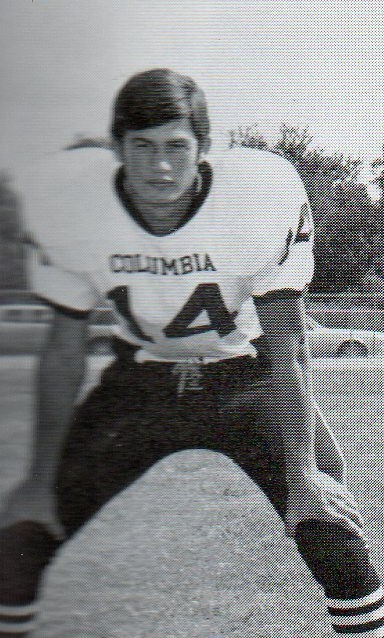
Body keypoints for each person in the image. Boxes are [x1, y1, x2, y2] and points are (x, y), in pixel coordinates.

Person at [0, 68, 382, 638]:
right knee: (25, 537)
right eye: (143, 147)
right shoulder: (73, 205)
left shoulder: (255, 196)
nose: (159, 167)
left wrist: (303, 475)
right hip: (140, 387)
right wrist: (36, 478)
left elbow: (285, 341)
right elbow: (64, 350)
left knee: (329, 527)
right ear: (117, 148)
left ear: (203, 148)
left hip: (246, 379)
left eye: (176, 148)